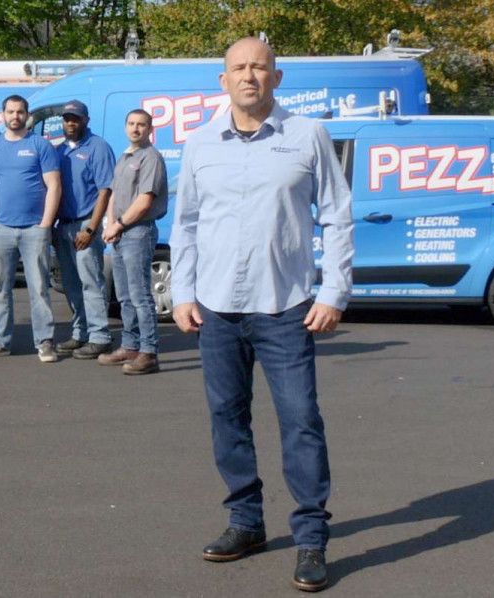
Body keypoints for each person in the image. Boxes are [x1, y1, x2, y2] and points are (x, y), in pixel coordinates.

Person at [170, 37, 353, 593]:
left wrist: (334, 292)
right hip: (217, 309)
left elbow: (338, 217)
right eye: (239, 68)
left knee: (300, 421)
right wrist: (181, 292)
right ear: (222, 80)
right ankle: (245, 523)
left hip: (286, 307)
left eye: (259, 67)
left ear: (277, 76)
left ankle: (311, 540)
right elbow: (187, 224)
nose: (249, 76)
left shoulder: (307, 137)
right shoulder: (201, 144)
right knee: (228, 419)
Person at [0, 95, 62, 363]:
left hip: (34, 230)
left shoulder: (40, 145)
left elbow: (54, 186)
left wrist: (45, 224)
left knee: (38, 288)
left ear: (27, 116)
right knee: (0, 288)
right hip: (1, 229)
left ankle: (44, 342)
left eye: (20, 112)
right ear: (2, 115)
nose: (15, 116)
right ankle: (1, 341)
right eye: (10, 112)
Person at [98, 109, 166, 375]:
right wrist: (109, 223)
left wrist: (120, 224)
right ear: (125, 126)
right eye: (131, 124)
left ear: (150, 129)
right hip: (120, 233)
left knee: (140, 296)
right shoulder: (125, 157)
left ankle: (149, 352)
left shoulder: (151, 158)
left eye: (141, 125)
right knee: (124, 296)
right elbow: (114, 194)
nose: (136, 128)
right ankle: (130, 345)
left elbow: (144, 201)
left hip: (138, 232)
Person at [51, 99, 116, 359]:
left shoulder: (98, 147)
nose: (70, 122)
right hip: (63, 225)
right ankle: (80, 333)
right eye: (67, 118)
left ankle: (100, 336)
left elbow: (105, 191)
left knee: (91, 282)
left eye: (75, 118)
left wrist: (90, 229)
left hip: (84, 225)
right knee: (71, 284)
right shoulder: (58, 150)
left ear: (85, 120)